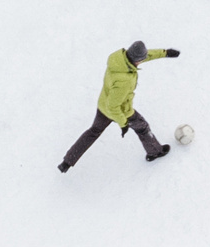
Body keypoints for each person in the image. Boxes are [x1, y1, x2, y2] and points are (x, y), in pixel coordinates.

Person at [60, 40, 181, 171]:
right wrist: (123, 124)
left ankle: (67, 161)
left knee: (93, 132)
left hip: (102, 106)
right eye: (140, 60)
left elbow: (146, 55)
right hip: (122, 111)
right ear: (135, 60)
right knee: (142, 128)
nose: (142, 61)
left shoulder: (119, 60)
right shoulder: (124, 80)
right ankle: (155, 152)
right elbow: (113, 107)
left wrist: (165, 53)